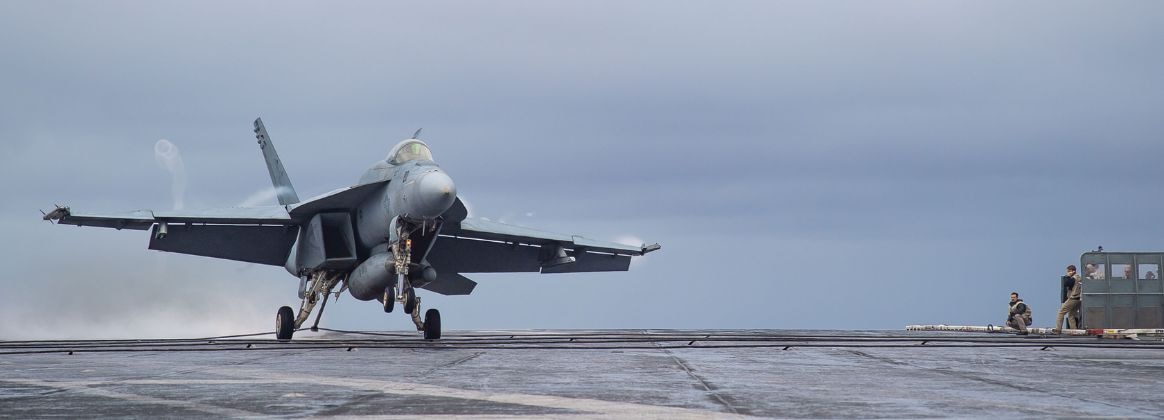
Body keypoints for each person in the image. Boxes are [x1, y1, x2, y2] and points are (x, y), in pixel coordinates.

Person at [1055, 264, 1083, 333]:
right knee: (1071, 315)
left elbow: (1066, 283)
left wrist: (1067, 276)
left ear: (1072, 271)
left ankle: (1058, 329)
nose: (1067, 273)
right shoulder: (1079, 278)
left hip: (1073, 298)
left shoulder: (1073, 278)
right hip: (1079, 300)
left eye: (1068, 271)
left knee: (1061, 312)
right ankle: (1074, 330)